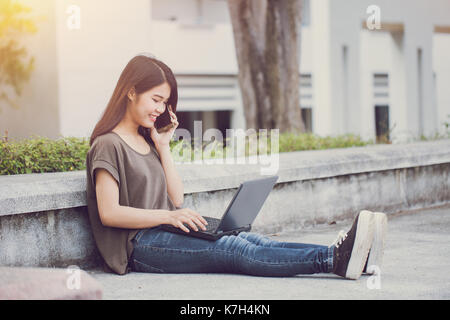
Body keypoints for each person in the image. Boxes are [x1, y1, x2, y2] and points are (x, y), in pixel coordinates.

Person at [85, 54, 387, 280]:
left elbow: (176, 199)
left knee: (249, 239)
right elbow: (109, 212)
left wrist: (163, 147)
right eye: (156, 100)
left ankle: (343, 255)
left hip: (165, 229)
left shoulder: (148, 140)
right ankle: (335, 260)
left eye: (165, 103)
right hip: (139, 246)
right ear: (131, 91)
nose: (161, 110)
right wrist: (169, 216)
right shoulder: (108, 144)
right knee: (234, 251)